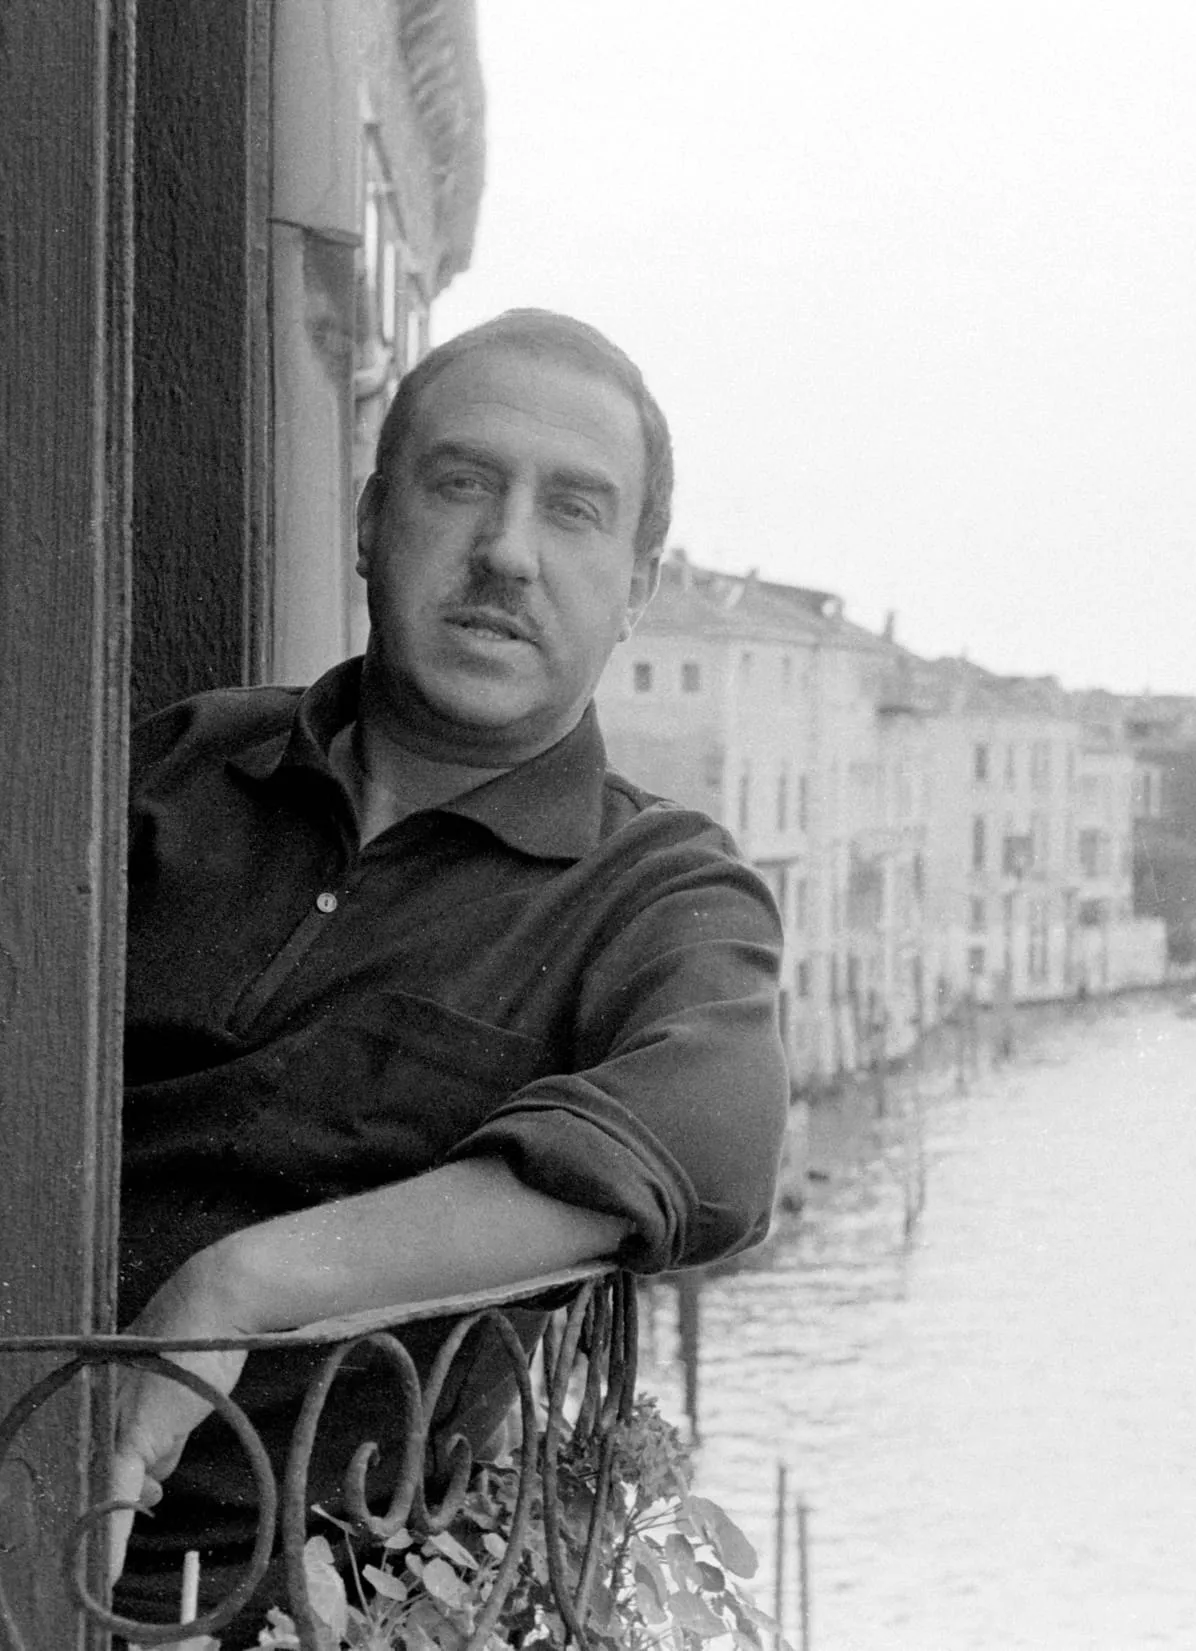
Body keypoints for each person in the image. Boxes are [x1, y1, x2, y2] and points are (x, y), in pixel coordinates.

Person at [108, 310, 788, 1621]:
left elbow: (715, 1140)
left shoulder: (654, 888)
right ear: (373, 522)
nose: (508, 550)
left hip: (299, 1614)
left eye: (574, 510)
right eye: (463, 482)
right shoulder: (182, 764)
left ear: (637, 588)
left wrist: (240, 1284)